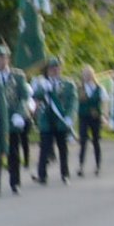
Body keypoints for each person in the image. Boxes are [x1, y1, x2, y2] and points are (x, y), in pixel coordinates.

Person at [0, 44, 27, 194]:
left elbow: (24, 97)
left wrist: (20, 113)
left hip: (12, 120)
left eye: (3, 57)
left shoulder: (18, 76)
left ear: (8, 59)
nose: (1, 61)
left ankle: (15, 182)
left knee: (13, 153)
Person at [32, 56, 76, 185]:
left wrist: (69, 116)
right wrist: (42, 89)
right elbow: (35, 96)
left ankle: (65, 174)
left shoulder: (68, 84)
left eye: (57, 68)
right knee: (44, 148)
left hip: (61, 121)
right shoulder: (43, 83)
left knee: (63, 149)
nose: (54, 70)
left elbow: (72, 102)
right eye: (52, 68)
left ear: (60, 69)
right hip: (46, 120)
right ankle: (42, 175)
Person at [76, 66, 105, 177]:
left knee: (96, 141)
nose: (87, 76)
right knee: (83, 141)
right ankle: (81, 165)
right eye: (85, 74)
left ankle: (98, 165)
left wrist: (102, 115)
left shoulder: (98, 88)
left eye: (89, 74)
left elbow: (104, 102)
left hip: (95, 118)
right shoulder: (80, 88)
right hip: (83, 117)